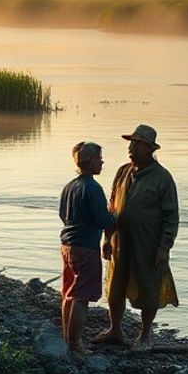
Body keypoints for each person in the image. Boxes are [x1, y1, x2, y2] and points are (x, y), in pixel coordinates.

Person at [96, 124, 179, 352]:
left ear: (150, 149)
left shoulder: (163, 178)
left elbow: (171, 216)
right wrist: (107, 238)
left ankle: (145, 334)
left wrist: (164, 246)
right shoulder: (123, 171)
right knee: (116, 285)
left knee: (149, 285)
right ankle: (115, 330)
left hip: (148, 242)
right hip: (120, 241)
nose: (130, 148)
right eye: (130, 143)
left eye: (136, 144)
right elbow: (111, 207)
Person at [59, 141, 116, 356]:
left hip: (67, 244)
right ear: (90, 160)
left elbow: (63, 216)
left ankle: (67, 339)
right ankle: (75, 344)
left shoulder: (69, 186)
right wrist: (117, 216)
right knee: (81, 296)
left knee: (68, 293)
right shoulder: (92, 188)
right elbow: (103, 220)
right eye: (99, 157)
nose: (102, 161)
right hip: (85, 246)